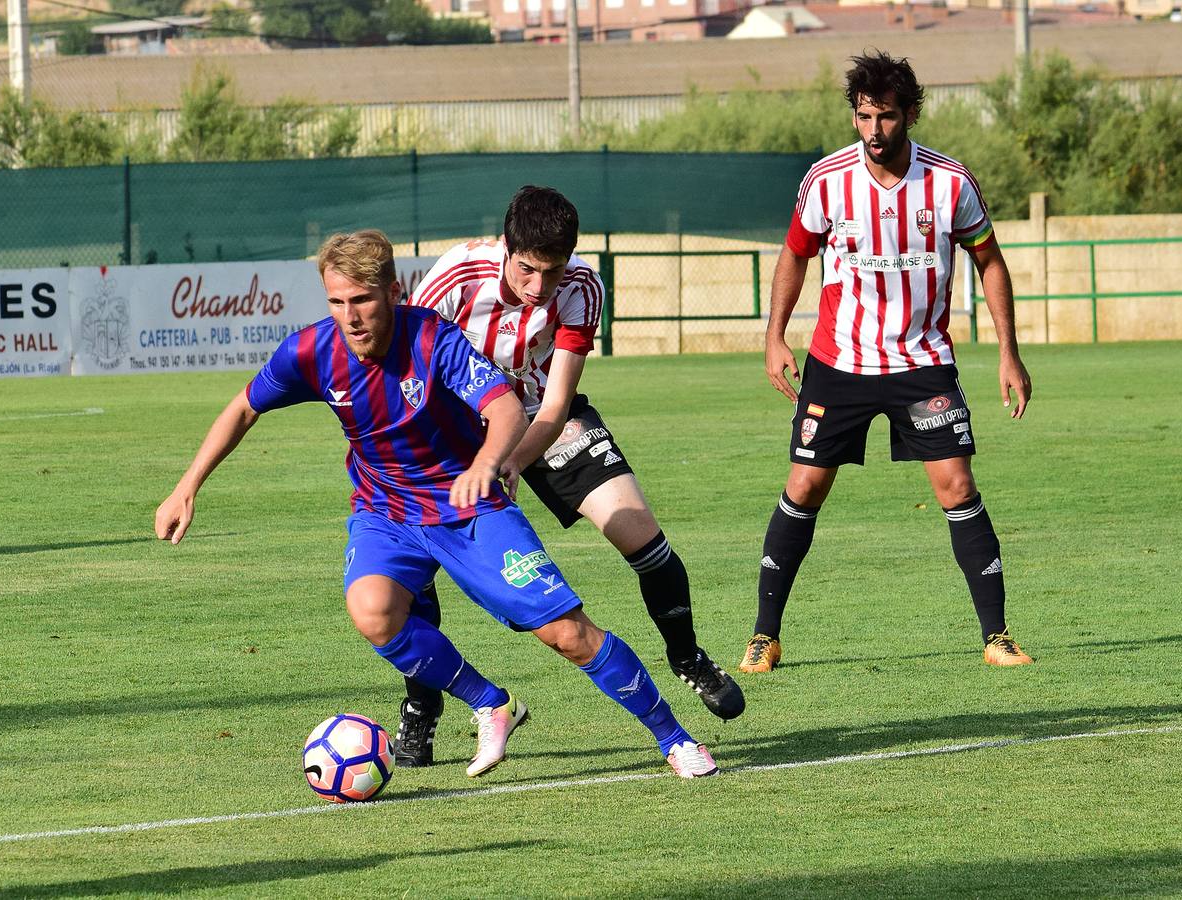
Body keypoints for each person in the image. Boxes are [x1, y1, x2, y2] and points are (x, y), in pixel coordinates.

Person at [154, 229, 719, 780]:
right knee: (373, 612)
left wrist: (484, 465)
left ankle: (675, 739)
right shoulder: (310, 350)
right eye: (337, 301)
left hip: (466, 505)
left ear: (393, 294)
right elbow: (244, 407)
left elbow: (506, 409)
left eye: (363, 300)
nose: (350, 316)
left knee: (568, 634)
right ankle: (490, 702)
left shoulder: (433, 339)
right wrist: (187, 486)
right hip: (385, 510)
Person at [391, 186, 745, 767]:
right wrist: (471, 458)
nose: (537, 287)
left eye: (550, 272)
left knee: (644, 539)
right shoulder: (456, 276)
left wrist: (508, 462)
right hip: (458, 431)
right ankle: (421, 710)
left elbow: (554, 406)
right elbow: (415, 366)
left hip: (541, 421)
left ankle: (686, 657)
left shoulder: (581, 287)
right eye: (527, 269)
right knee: (417, 564)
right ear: (506, 247)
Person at [740, 50, 1035, 674]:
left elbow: (990, 261)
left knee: (956, 486)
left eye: (888, 118)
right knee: (805, 486)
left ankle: (997, 635)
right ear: (854, 117)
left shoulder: (951, 182)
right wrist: (775, 336)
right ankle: (765, 635)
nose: (875, 131)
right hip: (839, 361)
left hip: (921, 361)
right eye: (865, 117)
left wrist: (1009, 352)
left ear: (911, 116)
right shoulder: (825, 180)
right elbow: (795, 255)